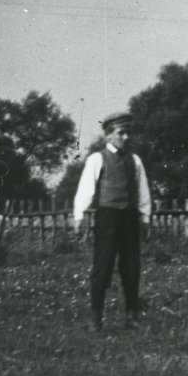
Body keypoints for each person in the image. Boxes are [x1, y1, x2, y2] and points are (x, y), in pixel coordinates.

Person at [73, 111, 152, 331]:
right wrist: (79, 214)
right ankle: (96, 318)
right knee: (103, 266)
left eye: (128, 132)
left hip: (129, 217)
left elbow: (143, 190)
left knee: (131, 267)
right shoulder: (97, 159)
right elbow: (86, 189)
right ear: (108, 135)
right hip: (107, 217)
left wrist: (145, 216)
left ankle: (131, 315)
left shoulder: (135, 160)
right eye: (121, 133)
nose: (126, 137)